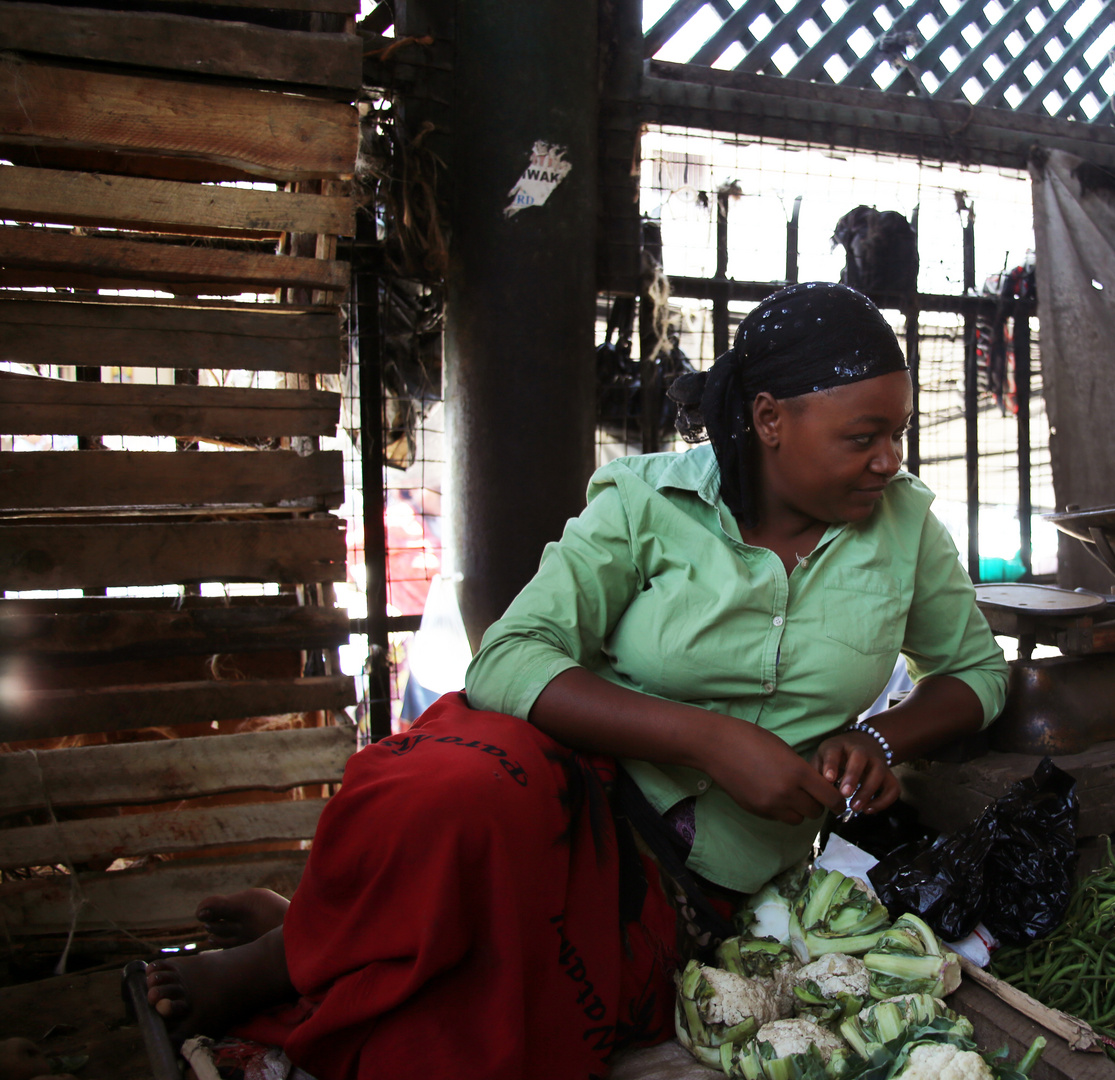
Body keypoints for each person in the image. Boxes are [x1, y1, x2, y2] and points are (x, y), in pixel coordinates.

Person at [140, 282, 1008, 1080]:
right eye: (864, 437)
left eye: (897, 433)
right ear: (771, 418)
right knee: (452, 797)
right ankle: (284, 955)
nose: (890, 459)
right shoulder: (644, 504)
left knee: (492, 1026)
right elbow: (509, 659)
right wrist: (712, 739)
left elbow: (973, 672)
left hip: (686, 881)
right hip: (563, 789)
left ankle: (331, 920)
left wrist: (880, 737)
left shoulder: (904, 530)